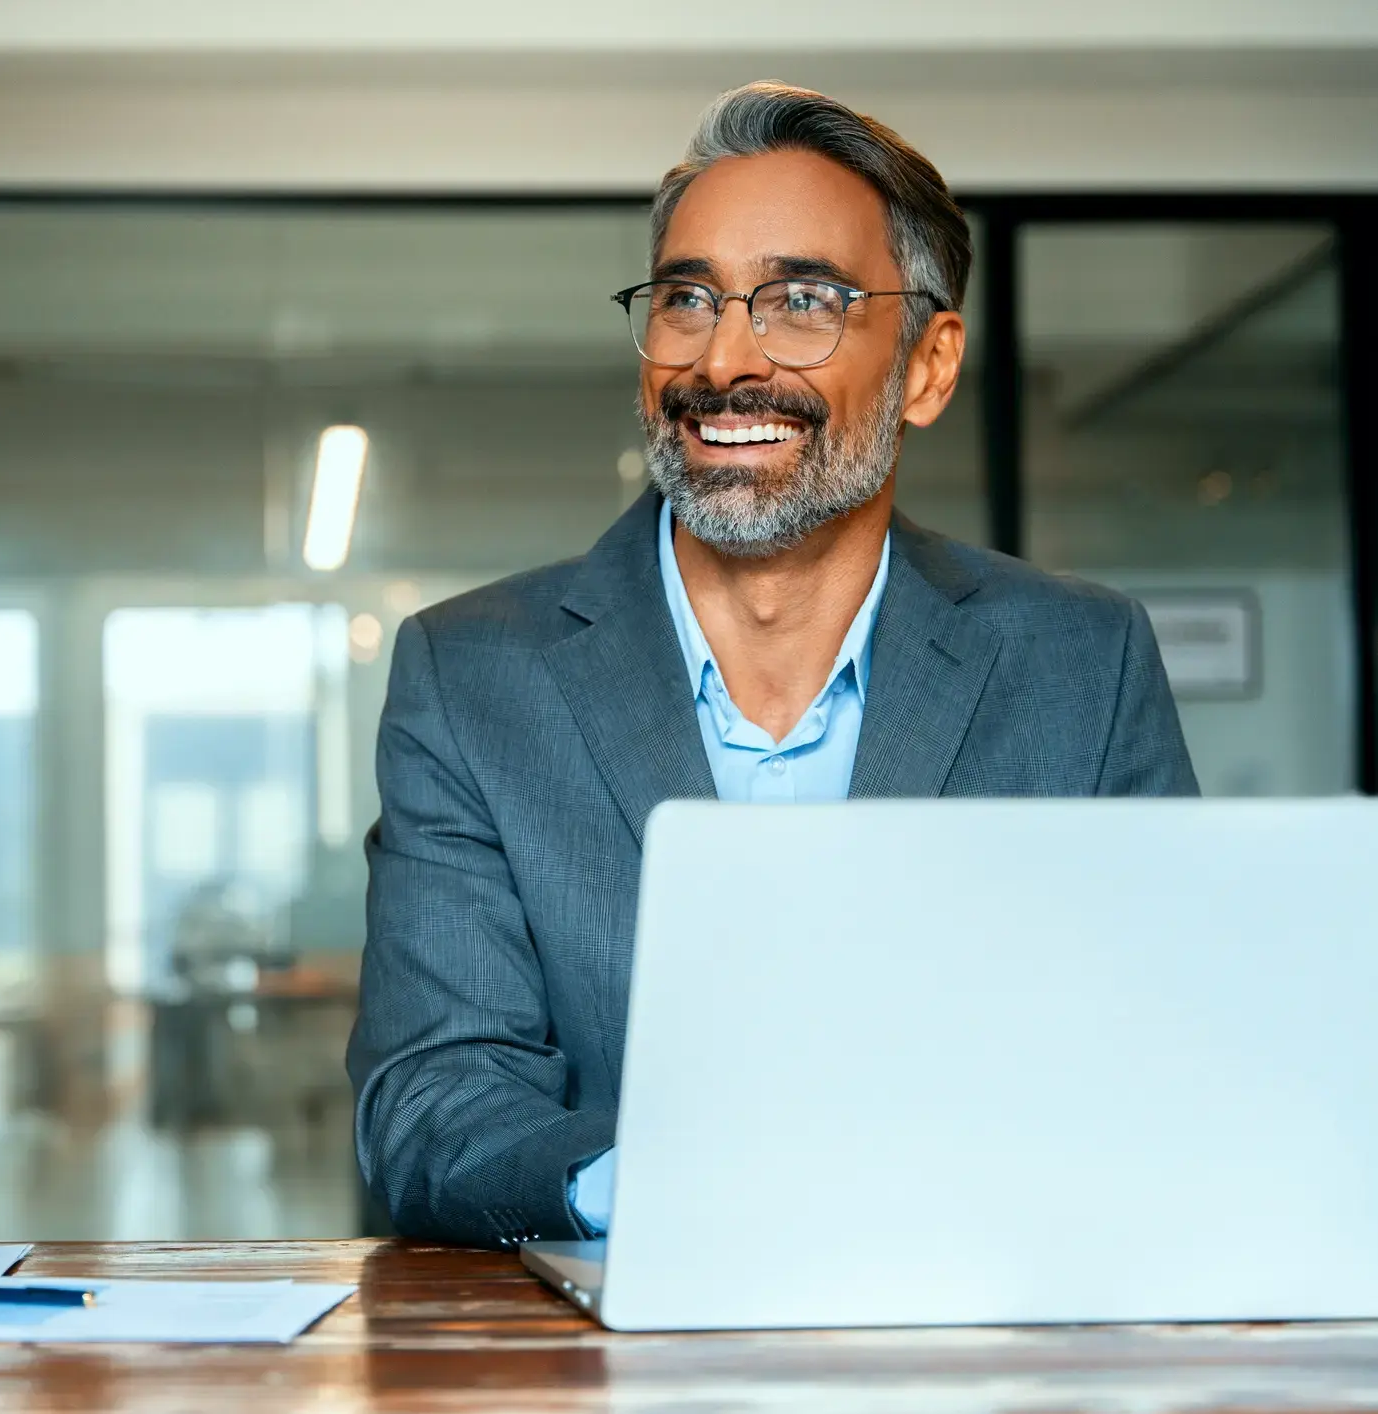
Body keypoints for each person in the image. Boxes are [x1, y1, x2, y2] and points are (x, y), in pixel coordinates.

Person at [346, 81, 1199, 1250]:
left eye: (801, 300)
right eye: (688, 298)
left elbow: (1166, 1057)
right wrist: (674, 1197)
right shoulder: (471, 675)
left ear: (929, 366)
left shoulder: (1080, 663)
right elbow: (431, 1104)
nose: (725, 358)